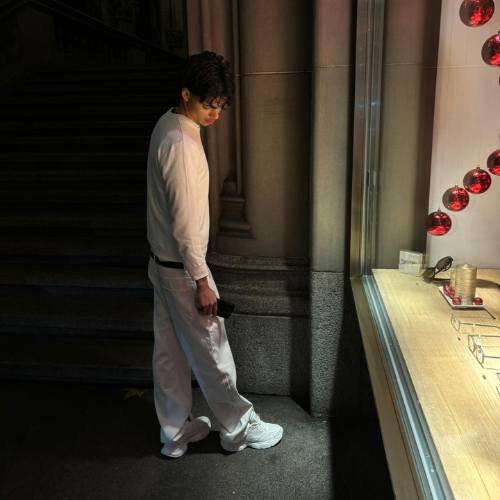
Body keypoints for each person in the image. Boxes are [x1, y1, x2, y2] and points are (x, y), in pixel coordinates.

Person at [146, 51, 283, 458]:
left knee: (169, 355)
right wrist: (202, 280)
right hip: (184, 272)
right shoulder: (182, 144)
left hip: (162, 264)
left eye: (221, 105)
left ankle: (175, 433)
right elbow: (187, 225)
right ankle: (239, 430)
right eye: (209, 104)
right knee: (213, 351)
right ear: (186, 93)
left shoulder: (167, 123)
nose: (215, 114)